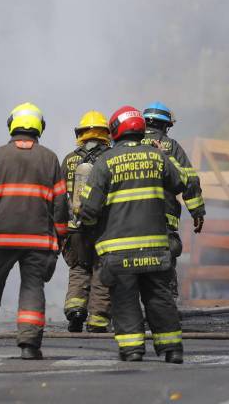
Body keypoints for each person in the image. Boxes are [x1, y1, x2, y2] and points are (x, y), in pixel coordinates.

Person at [79, 106, 185, 363]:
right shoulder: (157, 157)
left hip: (119, 250)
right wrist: (164, 157)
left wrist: (87, 224)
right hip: (156, 247)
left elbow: (90, 209)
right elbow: (181, 182)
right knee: (159, 297)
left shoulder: (105, 161)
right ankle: (172, 349)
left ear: (116, 131)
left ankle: (132, 349)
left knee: (124, 299)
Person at [0, 103, 67, 361]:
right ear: (39, 127)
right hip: (38, 241)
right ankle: (29, 346)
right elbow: (60, 204)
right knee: (32, 289)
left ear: (13, 125)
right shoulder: (50, 158)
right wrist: (60, 236)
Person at [141, 102, 205, 298]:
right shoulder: (171, 146)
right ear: (165, 126)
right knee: (165, 262)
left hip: (127, 218)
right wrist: (197, 211)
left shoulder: (128, 145)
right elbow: (189, 180)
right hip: (163, 217)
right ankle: (165, 309)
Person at [61, 111, 112, 333]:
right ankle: (98, 319)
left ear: (81, 134)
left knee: (79, 269)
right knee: (100, 270)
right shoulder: (112, 157)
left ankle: (75, 310)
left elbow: (60, 194)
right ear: (106, 133)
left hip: (75, 228)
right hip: (104, 228)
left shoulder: (70, 160)